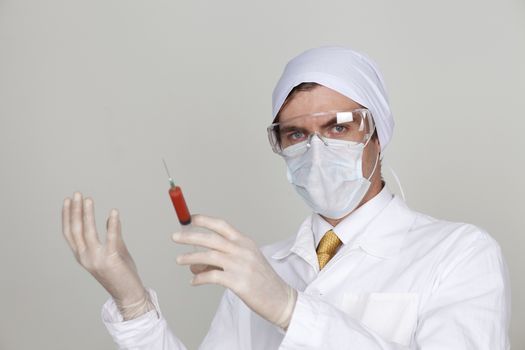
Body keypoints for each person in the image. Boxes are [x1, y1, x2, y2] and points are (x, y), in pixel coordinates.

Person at [61, 46, 511, 349]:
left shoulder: (459, 255)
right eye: (296, 133)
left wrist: (289, 308)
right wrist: (134, 305)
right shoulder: (261, 268)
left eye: (338, 126)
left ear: (378, 132)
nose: (316, 149)